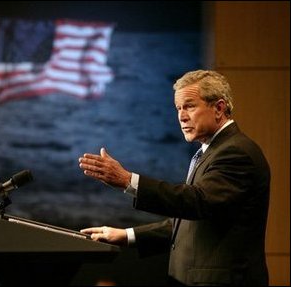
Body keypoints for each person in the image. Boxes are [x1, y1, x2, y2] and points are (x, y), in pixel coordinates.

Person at [78, 70, 270, 286]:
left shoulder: (236, 152)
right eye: (178, 108)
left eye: (189, 106)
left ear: (219, 108)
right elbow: (187, 223)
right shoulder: (212, 151)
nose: (181, 116)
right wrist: (126, 235)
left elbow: (198, 202)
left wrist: (128, 181)